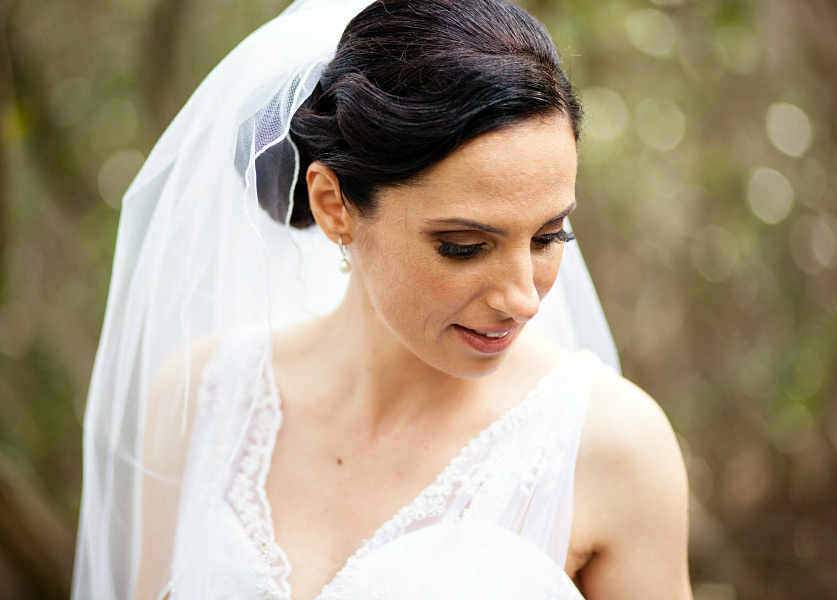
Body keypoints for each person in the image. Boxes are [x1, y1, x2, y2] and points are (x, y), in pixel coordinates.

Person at [71, 0, 692, 598]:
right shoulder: (202, 400)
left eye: (550, 237)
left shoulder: (614, 448)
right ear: (333, 205)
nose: (524, 299)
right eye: (464, 246)